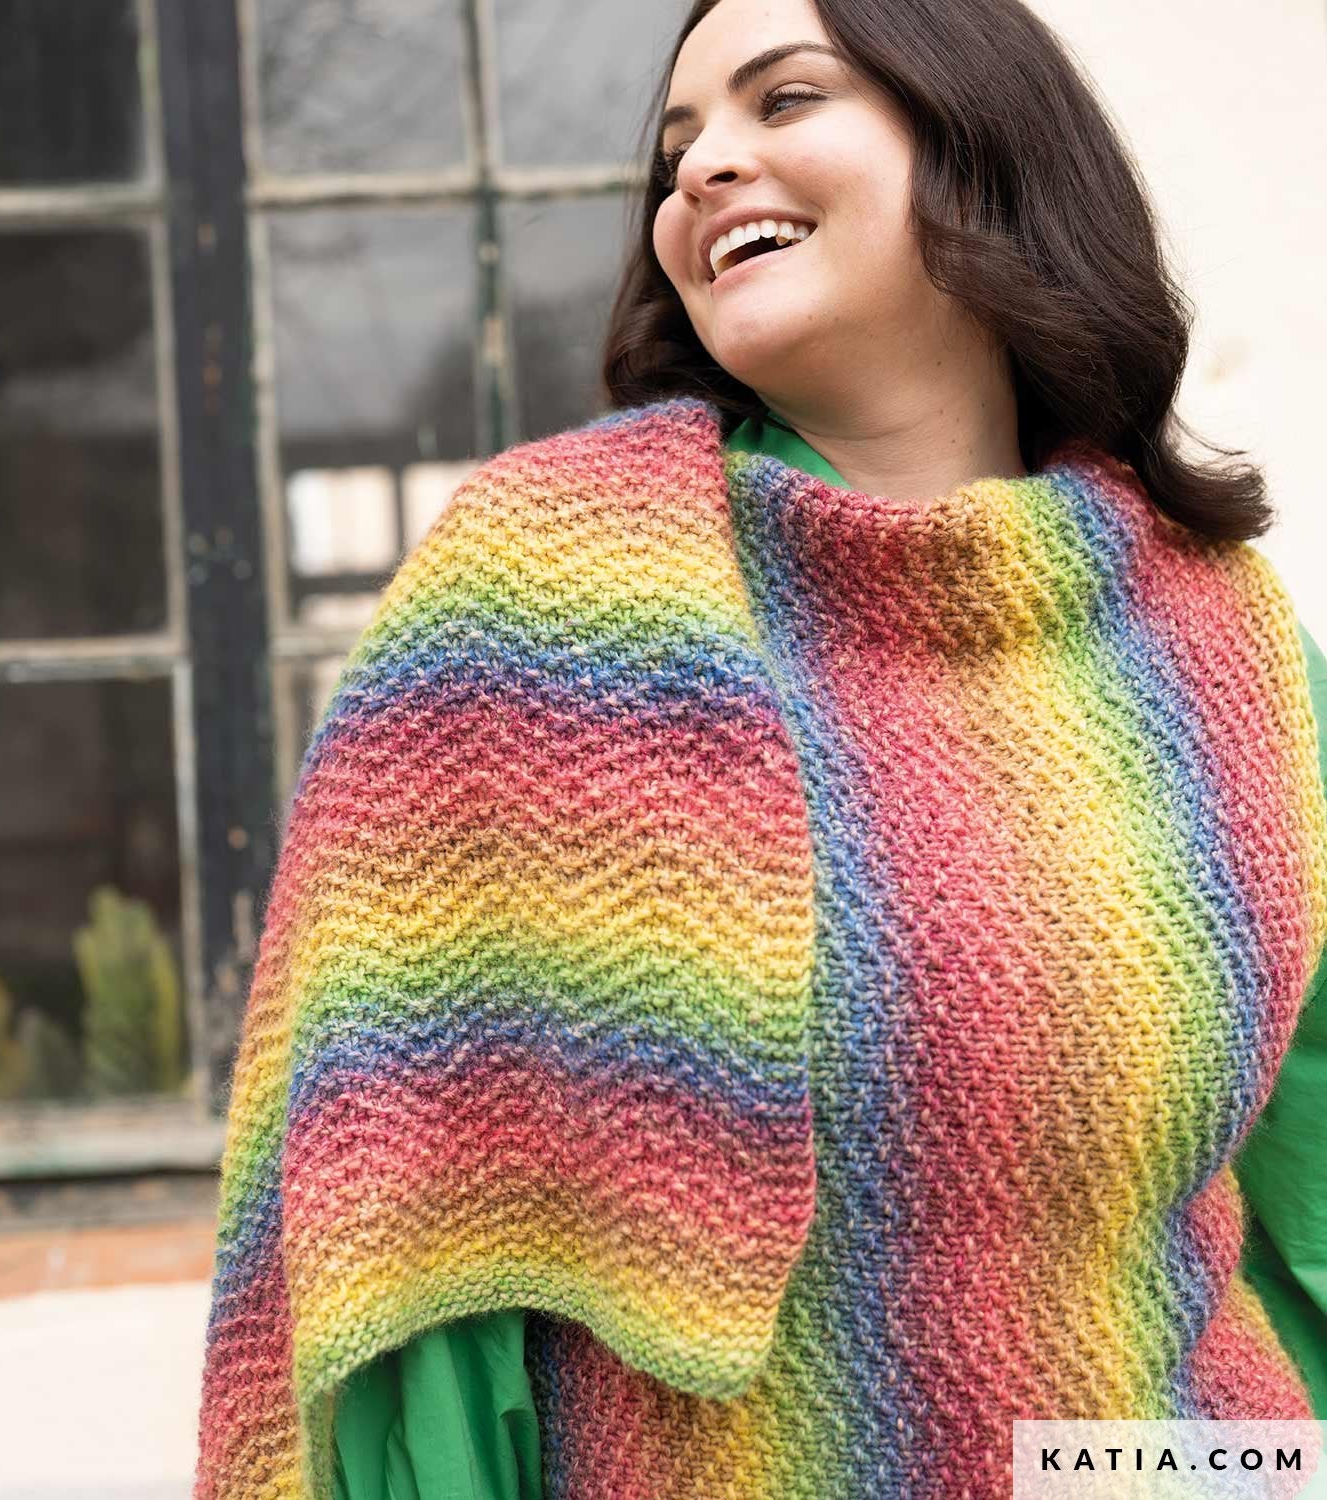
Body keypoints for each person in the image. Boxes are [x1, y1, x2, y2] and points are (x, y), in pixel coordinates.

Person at [193, 0, 1327, 1495]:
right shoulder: (547, 605)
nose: (703, 168)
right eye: (677, 148)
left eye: (785, 99)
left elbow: (1304, 1199)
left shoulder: (1226, 640)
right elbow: (393, 1231)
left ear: (986, 141)